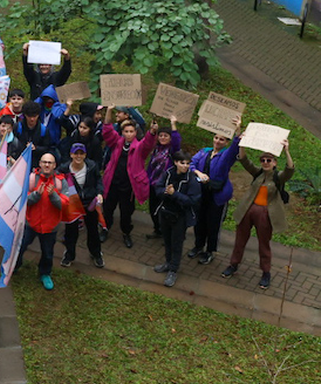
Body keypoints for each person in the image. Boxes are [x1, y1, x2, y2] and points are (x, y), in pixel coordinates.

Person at [222, 137, 295, 289]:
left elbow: (289, 170)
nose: (266, 162)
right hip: (248, 209)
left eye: (269, 160)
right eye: (263, 160)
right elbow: (244, 160)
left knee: (264, 243)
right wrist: (241, 143)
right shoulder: (258, 173)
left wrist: (287, 150)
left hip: (265, 213)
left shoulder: (277, 177)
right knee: (240, 239)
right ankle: (233, 265)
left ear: (274, 163)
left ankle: (266, 272)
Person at [188, 122, 241, 266]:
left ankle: (209, 251)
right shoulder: (204, 151)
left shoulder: (226, 156)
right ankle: (198, 245)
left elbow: (234, 149)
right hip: (201, 193)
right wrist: (198, 172)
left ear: (226, 142)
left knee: (213, 224)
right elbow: (191, 163)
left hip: (216, 196)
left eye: (222, 139)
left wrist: (237, 132)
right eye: (216, 138)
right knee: (199, 221)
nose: (217, 141)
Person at [100, 106, 151, 248]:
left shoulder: (139, 148)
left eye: (131, 131)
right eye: (126, 131)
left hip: (128, 187)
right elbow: (107, 130)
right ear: (122, 132)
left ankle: (126, 233)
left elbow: (148, 143)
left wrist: (152, 132)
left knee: (126, 213)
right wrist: (109, 110)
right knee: (108, 209)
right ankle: (105, 229)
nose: (128, 134)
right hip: (112, 183)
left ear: (135, 133)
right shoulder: (116, 143)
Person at [14, 152, 65, 290]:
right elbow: (23, 200)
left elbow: (65, 204)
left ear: (54, 165)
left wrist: (53, 195)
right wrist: (36, 195)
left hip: (50, 226)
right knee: (21, 246)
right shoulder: (31, 179)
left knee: (48, 252)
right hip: (30, 223)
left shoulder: (61, 181)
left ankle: (45, 273)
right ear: (40, 164)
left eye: (50, 163)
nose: (47, 165)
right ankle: (14, 266)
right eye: (44, 162)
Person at [151, 151, 201, 288]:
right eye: (182, 163)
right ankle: (168, 263)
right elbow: (158, 188)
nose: (185, 166)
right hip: (165, 213)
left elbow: (192, 200)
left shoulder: (191, 180)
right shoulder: (168, 173)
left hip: (180, 217)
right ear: (175, 163)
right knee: (167, 240)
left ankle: (173, 269)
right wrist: (165, 192)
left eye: (187, 163)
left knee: (176, 243)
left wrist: (174, 194)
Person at [58, 143, 104, 269]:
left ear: (85, 155)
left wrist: (99, 193)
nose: (78, 156)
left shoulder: (92, 166)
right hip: (72, 205)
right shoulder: (64, 169)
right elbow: (57, 182)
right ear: (71, 154)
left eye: (81, 153)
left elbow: (99, 181)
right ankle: (69, 255)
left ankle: (96, 253)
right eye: (76, 153)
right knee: (71, 231)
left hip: (89, 203)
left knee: (93, 230)